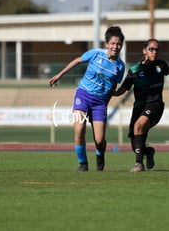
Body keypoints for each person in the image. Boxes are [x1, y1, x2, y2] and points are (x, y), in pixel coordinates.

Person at [49, 26, 126, 171]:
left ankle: (100, 154)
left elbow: (112, 89)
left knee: (99, 140)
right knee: (79, 130)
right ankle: (83, 163)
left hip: (100, 103)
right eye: (113, 43)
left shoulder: (120, 67)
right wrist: (60, 75)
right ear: (107, 44)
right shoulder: (96, 54)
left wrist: (105, 104)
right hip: (83, 95)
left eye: (119, 44)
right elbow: (77, 61)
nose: (115, 47)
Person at [113, 39, 169, 172]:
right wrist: (111, 91)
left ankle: (138, 164)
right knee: (134, 144)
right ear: (144, 50)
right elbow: (122, 89)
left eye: (157, 49)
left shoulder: (161, 65)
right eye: (151, 49)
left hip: (155, 105)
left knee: (139, 126)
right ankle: (148, 152)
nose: (154, 52)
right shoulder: (135, 69)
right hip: (139, 107)